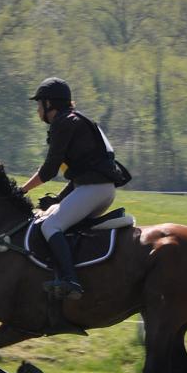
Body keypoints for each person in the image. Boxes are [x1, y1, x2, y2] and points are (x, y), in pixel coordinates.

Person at [21, 77, 126, 300]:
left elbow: (49, 170)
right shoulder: (76, 121)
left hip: (94, 190)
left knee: (50, 226)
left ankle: (70, 280)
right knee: (53, 218)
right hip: (99, 190)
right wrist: (59, 198)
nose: (38, 110)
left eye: (39, 104)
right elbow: (82, 171)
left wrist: (22, 190)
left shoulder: (64, 122)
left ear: (50, 104)